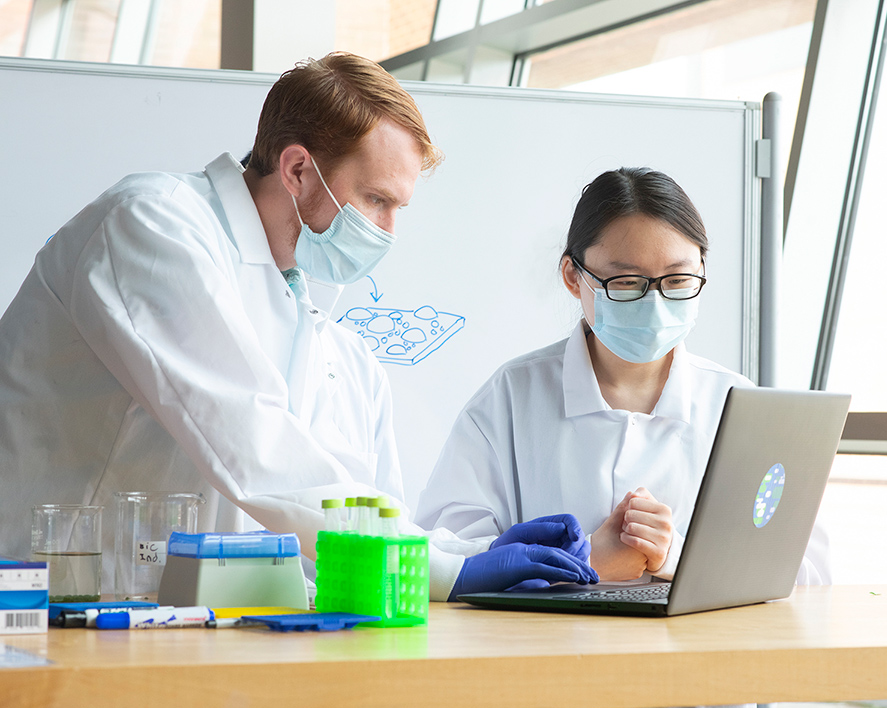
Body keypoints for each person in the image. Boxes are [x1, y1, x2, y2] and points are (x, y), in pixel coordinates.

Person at [0, 52, 595, 601]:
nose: (389, 230)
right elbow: (251, 445)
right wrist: (446, 573)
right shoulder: (155, 226)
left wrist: (466, 551)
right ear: (298, 170)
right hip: (51, 606)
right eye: (376, 200)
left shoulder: (301, 310)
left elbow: (333, 487)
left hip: (175, 618)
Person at [415, 167, 830, 708]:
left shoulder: (739, 403)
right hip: (536, 698)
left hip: (693, 699)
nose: (654, 303)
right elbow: (440, 565)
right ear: (572, 275)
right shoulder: (510, 398)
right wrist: (583, 562)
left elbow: (808, 576)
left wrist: (677, 558)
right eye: (626, 282)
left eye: (678, 280)